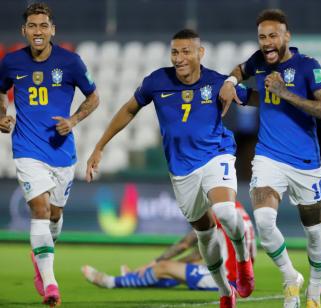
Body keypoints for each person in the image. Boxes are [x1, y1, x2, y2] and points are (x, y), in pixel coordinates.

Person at [85, 29, 254, 308]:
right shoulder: (156, 81)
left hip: (216, 156)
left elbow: (252, 98)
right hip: (181, 171)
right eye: (175, 52)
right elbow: (129, 109)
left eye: (186, 51)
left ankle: (243, 263)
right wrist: (100, 146)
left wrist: (271, 94)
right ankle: (225, 291)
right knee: (205, 235)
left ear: (200, 53)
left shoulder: (218, 81)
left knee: (225, 210)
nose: (179, 58)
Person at [219, 8, 321, 308]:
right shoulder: (258, 61)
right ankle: (290, 277)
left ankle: (314, 290)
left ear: (287, 37)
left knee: (314, 233)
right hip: (269, 157)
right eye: (262, 37)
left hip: (306, 163)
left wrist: (285, 92)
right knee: (264, 222)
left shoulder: (309, 67)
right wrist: (233, 84)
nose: (267, 42)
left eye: (273, 36)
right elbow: (239, 71)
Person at [0, 3, 99, 306]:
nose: (38, 32)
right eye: (33, 26)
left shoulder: (71, 62)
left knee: (55, 214)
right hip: (27, 149)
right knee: (40, 210)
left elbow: (94, 97)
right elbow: (1, 92)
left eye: (43, 26)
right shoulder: (11, 62)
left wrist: (73, 121)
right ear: (24, 31)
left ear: (52, 29)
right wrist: (2, 114)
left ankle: (40, 256)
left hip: (62, 153)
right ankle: (51, 284)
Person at [82, 202, 256, 292]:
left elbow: (185, 244)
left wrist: (154, 263)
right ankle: (135, 276)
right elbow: (198, 254)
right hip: (240, 276)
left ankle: (111, 282)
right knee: (180, 268)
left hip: (228, 280)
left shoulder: (217, 213)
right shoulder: (238, 210)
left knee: (164, 267)